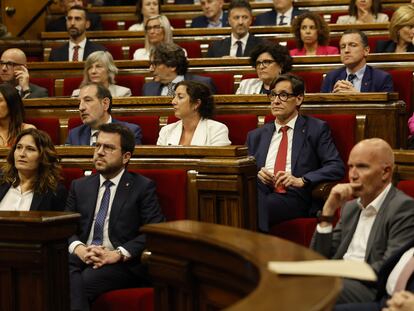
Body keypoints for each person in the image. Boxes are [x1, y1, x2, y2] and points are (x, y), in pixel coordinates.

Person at [66, 122, 165, 310]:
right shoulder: (80, 186)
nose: (100, 152)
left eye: (109, 147)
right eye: (97, 145)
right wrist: (79, 248)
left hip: (121, 264)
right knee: (56, 269)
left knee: (80, 282)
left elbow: (156, 229)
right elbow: (65, 226)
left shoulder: (142, 187)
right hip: (82, 256)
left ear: (126, 156)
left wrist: (118, 254)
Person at [310, 138, 414, 305]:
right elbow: (318, 257)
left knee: (310, 288)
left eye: (362, 166)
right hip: (339, 277)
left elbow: (388, 268)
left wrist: (336, 271)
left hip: (371, 289)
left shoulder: (403, 208)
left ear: (385, 172)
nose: (353, 175)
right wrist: (328, 212)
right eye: (351, 167)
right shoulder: (350, 208)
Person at [246, 74, 344, 232]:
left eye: (283, 95)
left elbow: (336, 166)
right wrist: (258, 173)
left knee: (254, 205)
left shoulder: (316, 129)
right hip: (260, 190)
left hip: (292, 194)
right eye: (273, 95)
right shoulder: (256, 135)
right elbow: (246, 169)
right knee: (243, 198)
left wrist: (301, 180)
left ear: (299, 99)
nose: (276, 101)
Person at [0, 128, 67, 212]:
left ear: (43, 156)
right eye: (19, 147)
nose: (22, 154)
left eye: (30, 149)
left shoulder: (55, 193)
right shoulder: (1, 181)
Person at [157, 80, 231, 146]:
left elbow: (217, 160)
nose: (173, 102)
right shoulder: (166, 131)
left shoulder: (217, 130)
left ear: (196, 103)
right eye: (174, 96)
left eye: (180, 97)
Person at [66, 82, 142, 145]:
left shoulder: (129, 132)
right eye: (79, 102)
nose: (81, 108)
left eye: (88, 100)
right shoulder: (74, 135)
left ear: (105, 104)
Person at [321, 29, 393, 93]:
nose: (346, 50)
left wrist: (357, 96)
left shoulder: (381, 78)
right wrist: (333, 99)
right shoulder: (331, 77)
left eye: (352, 45)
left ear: (366, 50)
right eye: (343, 47)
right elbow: (323, 106)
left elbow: (384, 108)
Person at [142, 42, 216, 96]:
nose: (150, 69)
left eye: (155, 64)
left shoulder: (202, 85)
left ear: (172, 66)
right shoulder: (148, 88)